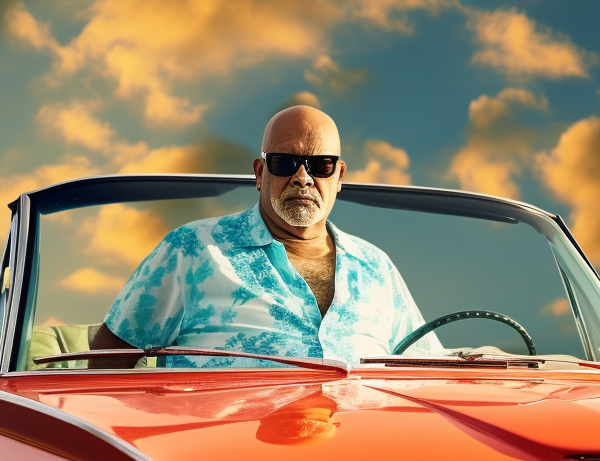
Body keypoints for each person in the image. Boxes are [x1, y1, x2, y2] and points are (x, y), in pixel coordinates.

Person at [91, 105, 441, 367]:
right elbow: (106, 363)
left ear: (339, 176)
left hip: (364, 455)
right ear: (260, 173)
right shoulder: (193, 249)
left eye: (321, 166)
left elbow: (428, 371)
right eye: (284, 163)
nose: (303, 178)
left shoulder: (376, 267)